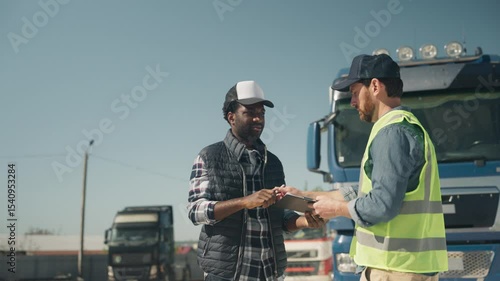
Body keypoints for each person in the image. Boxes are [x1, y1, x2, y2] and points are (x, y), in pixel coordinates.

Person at [279, 54, 448, 281]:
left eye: (355, 92)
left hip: (393, 268)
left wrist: (335, 210)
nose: (352, 102)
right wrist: (305, 195)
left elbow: (381, 205)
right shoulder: (404, 127)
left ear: (375, 86)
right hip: (404, 267)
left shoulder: (392, 133)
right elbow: (365, 193)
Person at [187, 80, 324, 281]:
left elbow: (281, 218)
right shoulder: (209, 157)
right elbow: (195, 211)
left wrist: (305, 221)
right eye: (250, 112)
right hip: (226, 274)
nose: (258, 118)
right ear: (231, 117)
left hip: (269, 272)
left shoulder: (273, 163)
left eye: (261, 113)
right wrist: (245, 201)